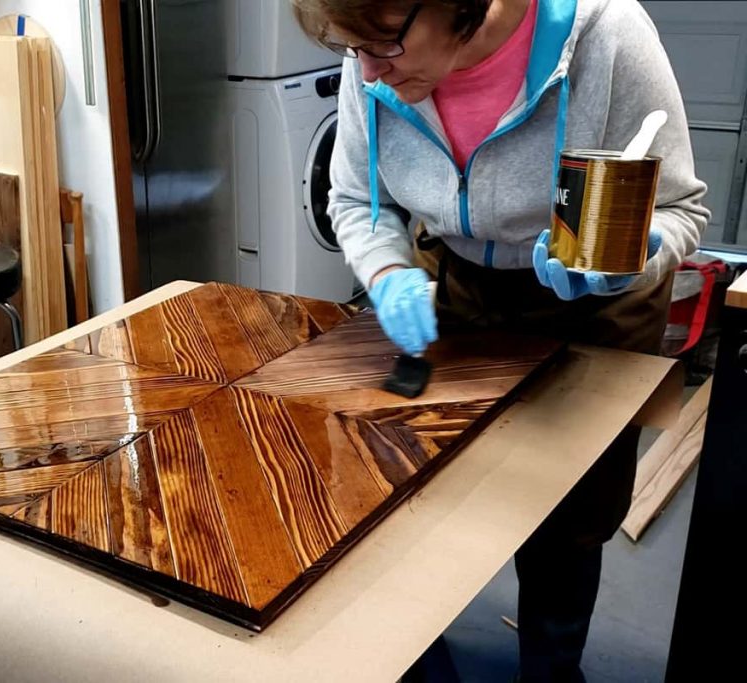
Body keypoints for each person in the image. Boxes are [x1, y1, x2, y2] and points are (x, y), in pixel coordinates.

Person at [292, 0, 708, 680]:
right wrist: (388, 269)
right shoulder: (373, 50)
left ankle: (552, 662)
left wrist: (637, 251)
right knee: (427, 486)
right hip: (456, 278)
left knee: (569, 520)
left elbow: (681, 204)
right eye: (353, 49)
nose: (367, 73)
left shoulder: (606, 38)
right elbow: (354, 199)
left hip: (590, 299)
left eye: (387, 48)